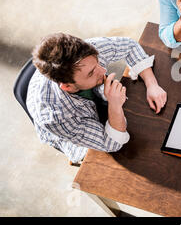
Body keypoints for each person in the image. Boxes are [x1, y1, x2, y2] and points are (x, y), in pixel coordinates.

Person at [26, 33, 167, 163]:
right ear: (67, 86)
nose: (103, 70)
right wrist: (115, 105)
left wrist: (152, 84)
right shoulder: (55, 117)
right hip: (73, 132)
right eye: (91, 73)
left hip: (95, 101)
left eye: (97, 62)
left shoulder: (86, 55)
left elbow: (130, 46)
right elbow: (113, 143)